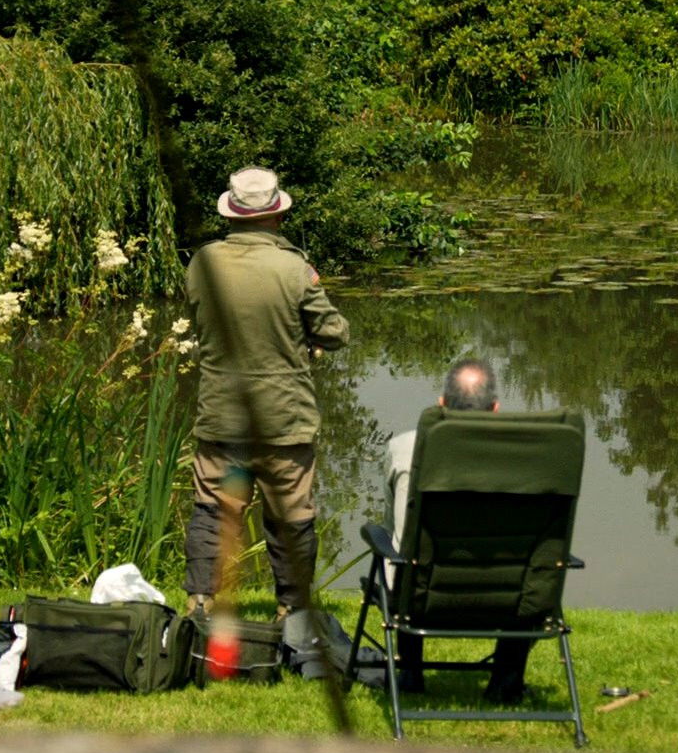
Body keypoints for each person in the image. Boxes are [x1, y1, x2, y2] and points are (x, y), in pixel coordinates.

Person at [183, 167, 349, 620]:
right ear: (276, 216)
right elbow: (334, 332)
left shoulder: (202, 263)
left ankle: (199, 600)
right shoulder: (293, 269)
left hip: (222, 417)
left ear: (232, 215)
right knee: (290, 516)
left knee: (213, 511)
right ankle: (291, 610)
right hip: (283, 421)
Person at [384, 357, 533, 703]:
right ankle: (506, 681)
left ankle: (411, 673)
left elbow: (401, 534)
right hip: (513, 599)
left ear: (441, 404)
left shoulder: (405, 449)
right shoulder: (530, 458)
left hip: (419, 600)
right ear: (495, 409)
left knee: (401, 552)